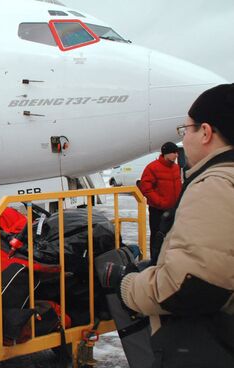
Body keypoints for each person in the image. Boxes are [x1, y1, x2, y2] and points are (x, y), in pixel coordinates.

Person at [105, 84, 234, 367]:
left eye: (185, 130)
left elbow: (187, 287)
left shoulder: (214, 186)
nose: (182, 142)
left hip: (211, 344)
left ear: (206, 132)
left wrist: (127, 285)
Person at [139, 141, 182, 263]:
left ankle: (169, 261)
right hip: (158, 210)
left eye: (177, 152)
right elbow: (145, 188)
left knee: (172, 237)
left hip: (173, 210)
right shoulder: (152, 167)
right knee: (157, 237)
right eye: (174, 152)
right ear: (166, 154)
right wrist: (160, 202)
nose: (176, 155)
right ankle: (155, 262)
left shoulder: (176, 167)